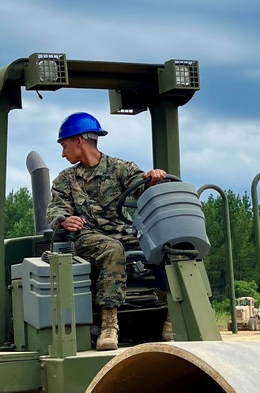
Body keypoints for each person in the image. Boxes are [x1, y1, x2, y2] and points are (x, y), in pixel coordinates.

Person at [47, 112, 169, 351]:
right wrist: (65, 220)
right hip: (87, 239)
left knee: (168, 245)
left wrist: (153, 180)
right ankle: (109, 326)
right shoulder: (66, 179)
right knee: (112, 249)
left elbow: (142, 191)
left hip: (124, 233)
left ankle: (173, 318)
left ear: (79, 141)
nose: (63, 153)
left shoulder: (120, 169)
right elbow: (55, 210)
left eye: (64, 146)